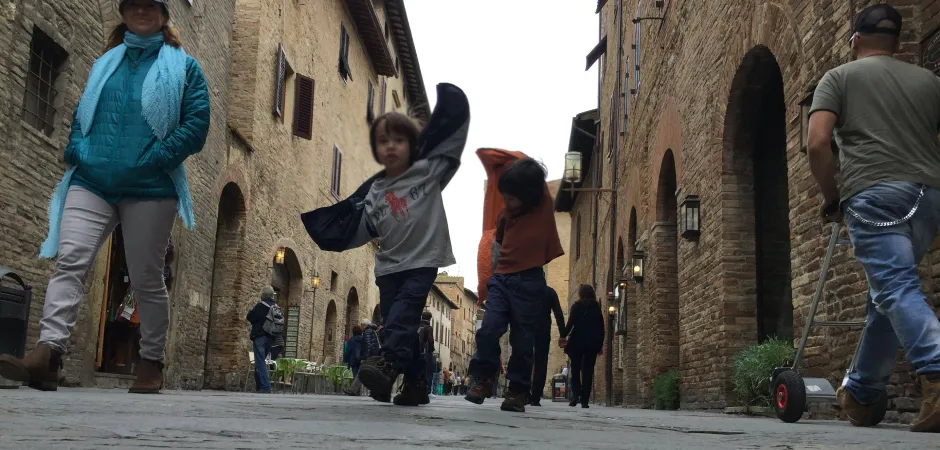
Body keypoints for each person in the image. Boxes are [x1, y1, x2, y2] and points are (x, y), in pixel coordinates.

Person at [0, 0, 209, 394]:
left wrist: (159, 158)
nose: (142, 11)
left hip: (149, 185)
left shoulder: (185, 67)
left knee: (146, 276)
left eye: (151, 6)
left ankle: (151, 362)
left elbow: (197, 124)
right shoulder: (106, 62)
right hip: (92, 179)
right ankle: (48, 354)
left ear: (164, 16)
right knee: (70, 260)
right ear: (124, 13)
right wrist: (77, 148)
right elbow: (83, 113)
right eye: (134, 5)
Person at [807, 3, 940, 433]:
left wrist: (833, 197)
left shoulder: (839, 78)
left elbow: (817, 143)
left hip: (874, 194)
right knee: (886, 293)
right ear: (897, 43)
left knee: (896, 286)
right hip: (928, 196)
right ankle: (863, 394)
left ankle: (936, 369)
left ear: (855, 40)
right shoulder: (929, 81)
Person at [351, 110, 467, 407]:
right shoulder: (375, 190)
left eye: (399, 140)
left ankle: (388, 364)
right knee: (394, 322)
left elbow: (448, 153)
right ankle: (415, 384)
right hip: (389, 265)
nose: (390, 146)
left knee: (403, 314)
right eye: (383, 140)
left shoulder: (427, 172)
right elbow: (367, 227)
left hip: (423, 260)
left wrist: (441, 122)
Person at [465, 158, 565, 412]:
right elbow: (498, 242)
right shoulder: (505, 215)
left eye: (512, 197)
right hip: (502, 279)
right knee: (488, 330)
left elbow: (538, 185)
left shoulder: (541, 210)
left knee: (522, 341)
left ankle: (518, 390)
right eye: (505, 196)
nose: (507, 202)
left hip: (530, 282)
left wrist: (527, 172)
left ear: (529, 195)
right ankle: (484, 378)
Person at [562, 285, 605, 408]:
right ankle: (585, 400)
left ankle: (576, 395)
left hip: (576, 342)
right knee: (588, 371)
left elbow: (570, 324)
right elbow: (601, 327)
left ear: (580, 294)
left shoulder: (576, 306)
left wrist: (563, 336)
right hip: (591, 343)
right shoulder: (596, 307)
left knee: (575, 370)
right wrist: (600, 344)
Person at [529, 286, 567, 406]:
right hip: (543, 330)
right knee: (541, 362)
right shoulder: (550, 292)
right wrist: (562, 334)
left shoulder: (527, 289)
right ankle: (535, 397)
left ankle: (522, 392)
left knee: (523, 358)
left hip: (526, 328)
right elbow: (558, 313)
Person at [245, 286, 282, 393]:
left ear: (263, 295)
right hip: (271, 339)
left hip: (260, 337)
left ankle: (265, 387)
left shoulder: (261, 306)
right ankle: (259, 387)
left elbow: (250, 317)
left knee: (260, 362)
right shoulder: (276, 307)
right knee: (260, 362)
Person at [346, 319, 381, 396]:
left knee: (362, 373)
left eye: (361, 325)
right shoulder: (371, 330)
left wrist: (366, 356)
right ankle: (374, 391)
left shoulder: (367, 331)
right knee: (369, 374)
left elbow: (368, 345)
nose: (361, 326)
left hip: (370, 356)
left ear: (364, 325)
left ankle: (353, 390)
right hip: (374, 355)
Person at [417, 312, 436, 398]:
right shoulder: (429, 328)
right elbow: (430, 340)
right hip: (426, 352)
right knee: (429, 371)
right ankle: (427, 390)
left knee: (418, 370)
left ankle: (417, 388)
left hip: (415, 351)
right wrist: (431, 349)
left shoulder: (417, 325)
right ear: (430, 318)